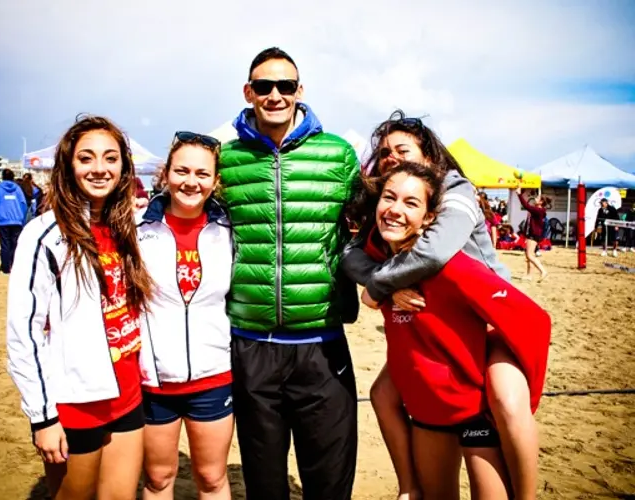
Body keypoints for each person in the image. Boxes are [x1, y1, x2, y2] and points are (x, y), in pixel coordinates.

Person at [342, 111, 541, 500]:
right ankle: (409, 487)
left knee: (503, 396)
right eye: (383, 153)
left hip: (487, 319)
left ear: (429, 153)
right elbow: (351, 255)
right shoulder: (389, 198)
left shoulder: (454, 189)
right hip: (436, 328)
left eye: (402, 149)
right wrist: (382, 284)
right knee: (384, 395)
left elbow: (433, 253)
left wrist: (379, 285)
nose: (391, 157)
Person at [219, 47, 360, 500]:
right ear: (249, 92)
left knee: (330, 480)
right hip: (251, 344)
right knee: (264, 483)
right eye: (264, 86)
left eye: (285, 86)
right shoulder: (228, 157)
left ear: (300, 90)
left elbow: (373, 225)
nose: (275, 95)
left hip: (321, 344)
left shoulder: (337, 154)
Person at [6, 115, 153, 499]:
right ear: (68, 166)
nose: (99, 168)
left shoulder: (131, 228)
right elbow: (24, 332)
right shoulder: (45, 235)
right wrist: (43, 418)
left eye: (110, 158)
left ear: (124, 167)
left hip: (128, 396)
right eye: (86, 158)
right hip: (75, 402)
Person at [137, 131, 234, 500]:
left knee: (211, 477)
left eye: (202, 173)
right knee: (160, 478)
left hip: (213, 377)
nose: (190, 182)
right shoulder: (137, 228)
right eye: (182, 170)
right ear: (166, 173)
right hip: (154, 380)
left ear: (215, 180)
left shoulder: (229, 231)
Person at [0, 168, 27, 273]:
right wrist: (22, 217)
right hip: (17, 220)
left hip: (2, 220)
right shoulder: (17, 189)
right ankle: (14, 265)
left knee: (5, 245)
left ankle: (5, 267)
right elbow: (23, 204)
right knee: (15, 244)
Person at [516, 189, 549, 281]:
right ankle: (529, 275)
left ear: (541, 201)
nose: (536, 198)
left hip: (533, 235)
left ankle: (543, 271)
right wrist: (521, 192)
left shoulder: (539, 210)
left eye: (538, 198)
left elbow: (525, 205)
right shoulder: (537, 209)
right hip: (532, 234)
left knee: (530, 255)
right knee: (529, 255)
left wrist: (519, 194)